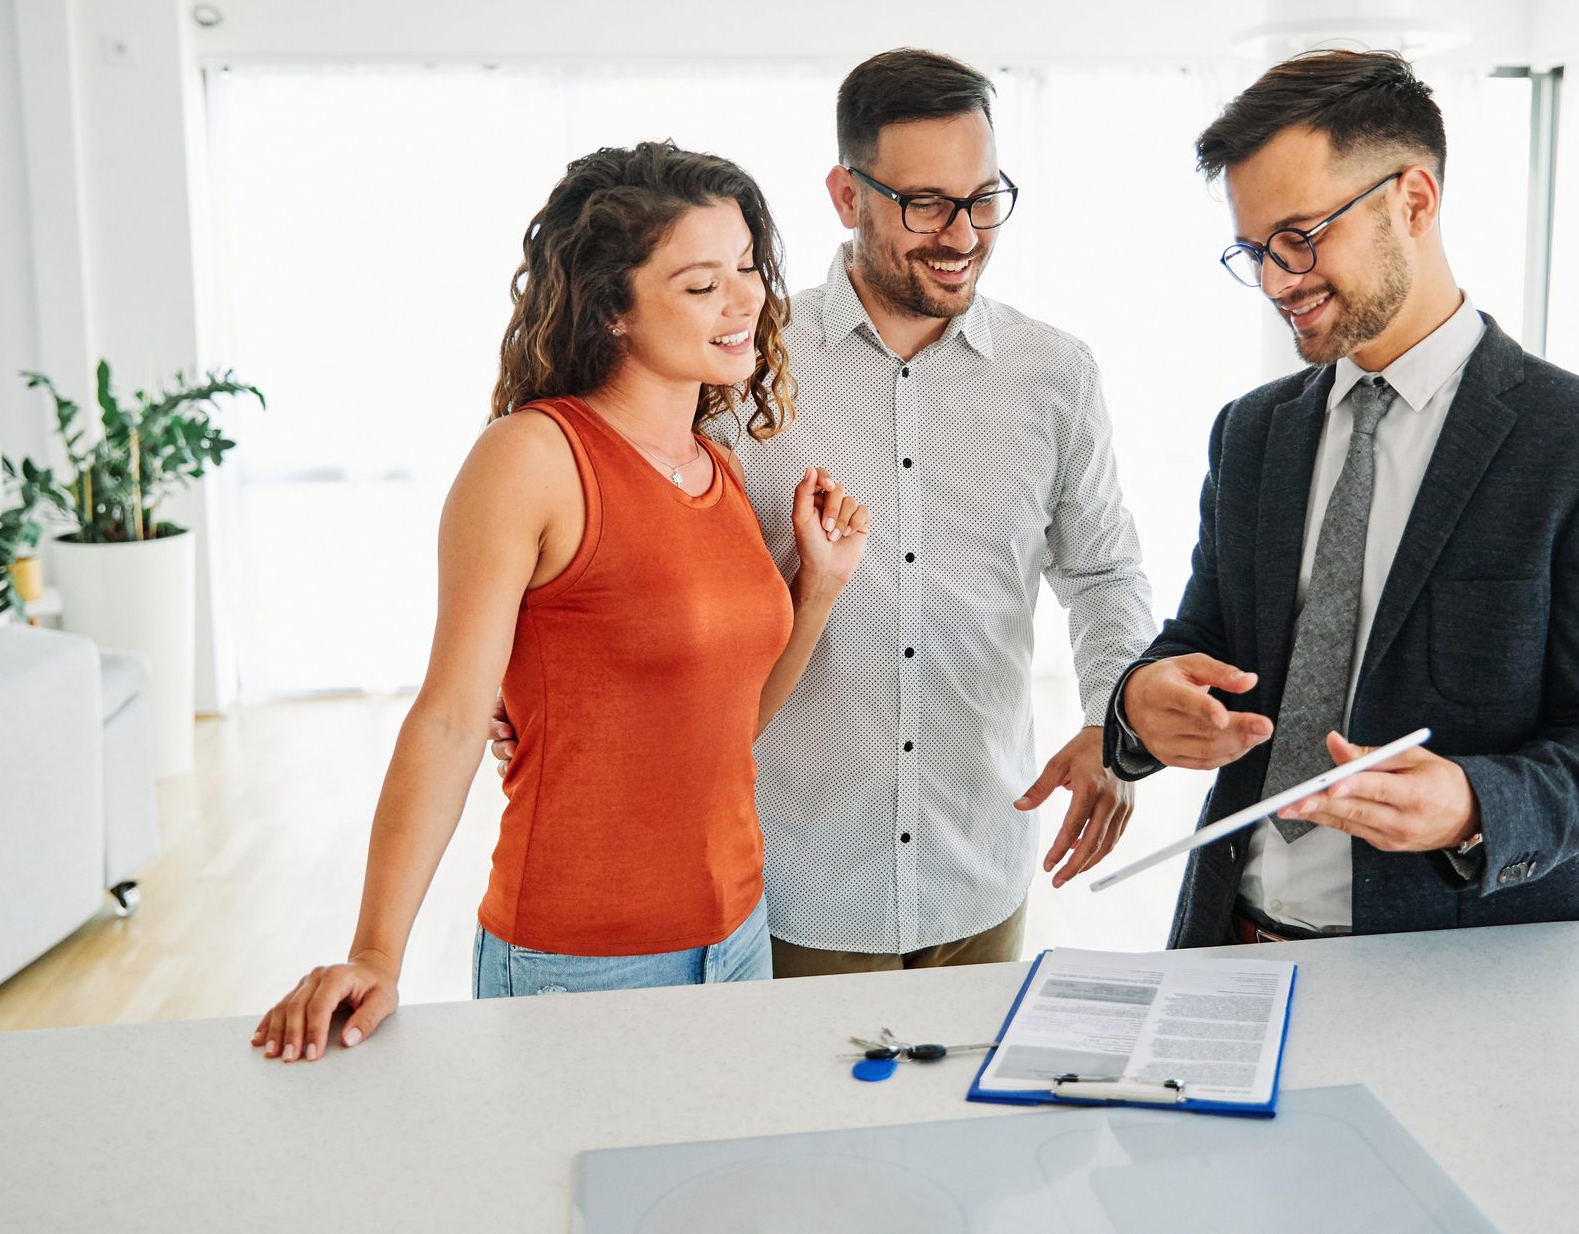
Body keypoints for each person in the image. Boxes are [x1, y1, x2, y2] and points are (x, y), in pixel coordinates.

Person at [495, 49, 1157, 975]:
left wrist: (1111, 723)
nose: (961, 233)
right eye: (924, 203)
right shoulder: (736, 358)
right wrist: (525, 679)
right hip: (797, 880)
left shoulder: (1057, 373)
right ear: (847, 195)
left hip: (982, 870)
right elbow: (607, 514)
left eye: (984, 198)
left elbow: (1102, 570)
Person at [252, 143, 867, 1063]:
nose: (748, 300)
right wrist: (376, 952)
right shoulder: (531, 458)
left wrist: (816, 589)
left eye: (748, 268)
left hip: (738, 935)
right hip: (580, 960)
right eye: (703, 285)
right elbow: (453, 719)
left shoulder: (721, 470)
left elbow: (723, 728)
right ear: (613, 308)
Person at [1108, 49, 1579, 946]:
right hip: (1232, 945)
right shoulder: (1253, 433)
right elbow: (1208, 639)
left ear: (1413, 201)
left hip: (1460, 971)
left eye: (1300, 237)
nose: (1276, 280)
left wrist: (1472, 803)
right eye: (1254, 251)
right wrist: (1144, 696)